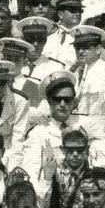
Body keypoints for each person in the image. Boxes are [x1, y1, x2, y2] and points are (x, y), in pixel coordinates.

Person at [21, 71, 82, 199]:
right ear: (49, 101)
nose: (63, 104)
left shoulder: (81, 127)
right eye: (57, 99)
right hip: (52, 198)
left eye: (67, 99)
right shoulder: (38, 133)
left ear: (73, 102)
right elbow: (30, 175)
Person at [42, 0, 85, 67]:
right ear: (60, 14)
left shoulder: (85, 39)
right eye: (73, 10)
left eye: (80, 11)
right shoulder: (48, 38)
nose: (78, 14)